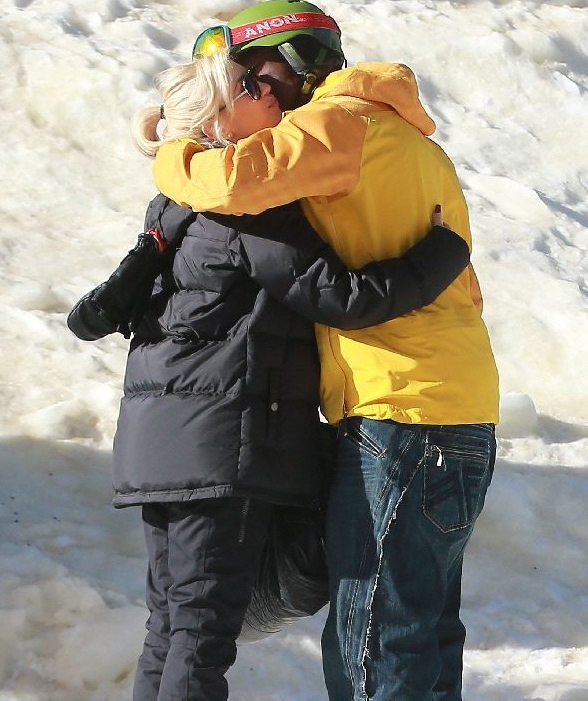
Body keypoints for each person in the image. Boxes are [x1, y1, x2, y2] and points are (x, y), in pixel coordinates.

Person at [69, 44, 471, 701]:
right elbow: (344, 298)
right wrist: (442, 252)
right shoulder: (249, 207)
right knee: (200, 633)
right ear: (221, 120)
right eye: (247, 84)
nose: (268, 89)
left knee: (170, 624)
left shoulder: (172, 208)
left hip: (159, 443)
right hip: (217, 446)